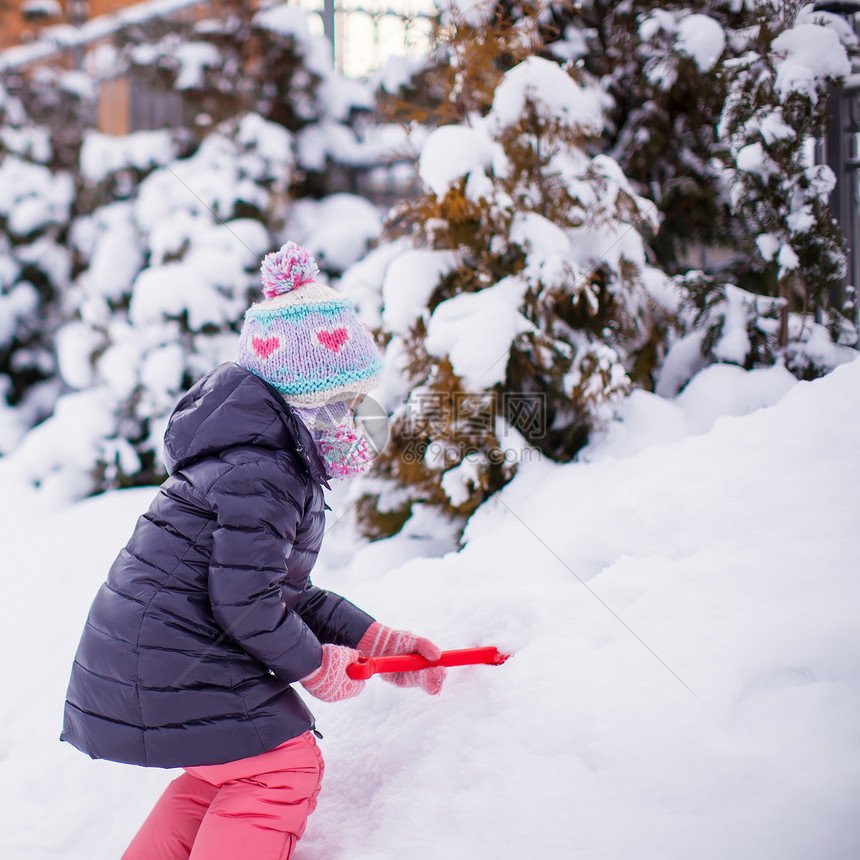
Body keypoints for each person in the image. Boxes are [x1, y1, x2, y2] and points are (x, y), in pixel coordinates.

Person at [61, 241, 446, 860]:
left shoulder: (258, 459)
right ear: (309, 403)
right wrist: (317, 666)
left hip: (149, 651)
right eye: (346, 402)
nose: (356, 419)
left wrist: (376, 641)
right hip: (172, 651)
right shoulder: (267, 472)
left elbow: (280, 590)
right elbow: (245, 600)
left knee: (228, 764)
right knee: (281, 764)